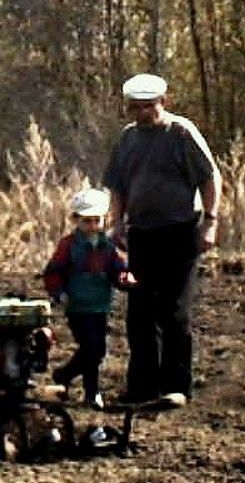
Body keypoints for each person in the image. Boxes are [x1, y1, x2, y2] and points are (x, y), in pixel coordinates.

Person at [103, 73, 221, 406]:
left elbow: (210, 179)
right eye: (136, 108)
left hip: (180, 233)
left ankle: (176, 386)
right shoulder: (128, 139)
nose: (143, 113)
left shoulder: (181, 133)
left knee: (174, 311)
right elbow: (117, 185)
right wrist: (117, 224)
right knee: (139, 312)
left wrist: (210, 222)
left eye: (149, 107)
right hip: (142, 235)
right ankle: (142, 387)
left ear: (162, 103)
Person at [42, 188, 132, 410]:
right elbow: (53, 271)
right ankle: (92, 392)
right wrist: (58, 293)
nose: (92, 226)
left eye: (96, 221)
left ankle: (65, 374)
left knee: (97, 350)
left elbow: (117, 271)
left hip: (99, 306)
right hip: (77, 306)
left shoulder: (108, 247)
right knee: (91, 348)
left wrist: (124, 279)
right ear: (76, 220)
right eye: (87, 221)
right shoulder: (68, 245)